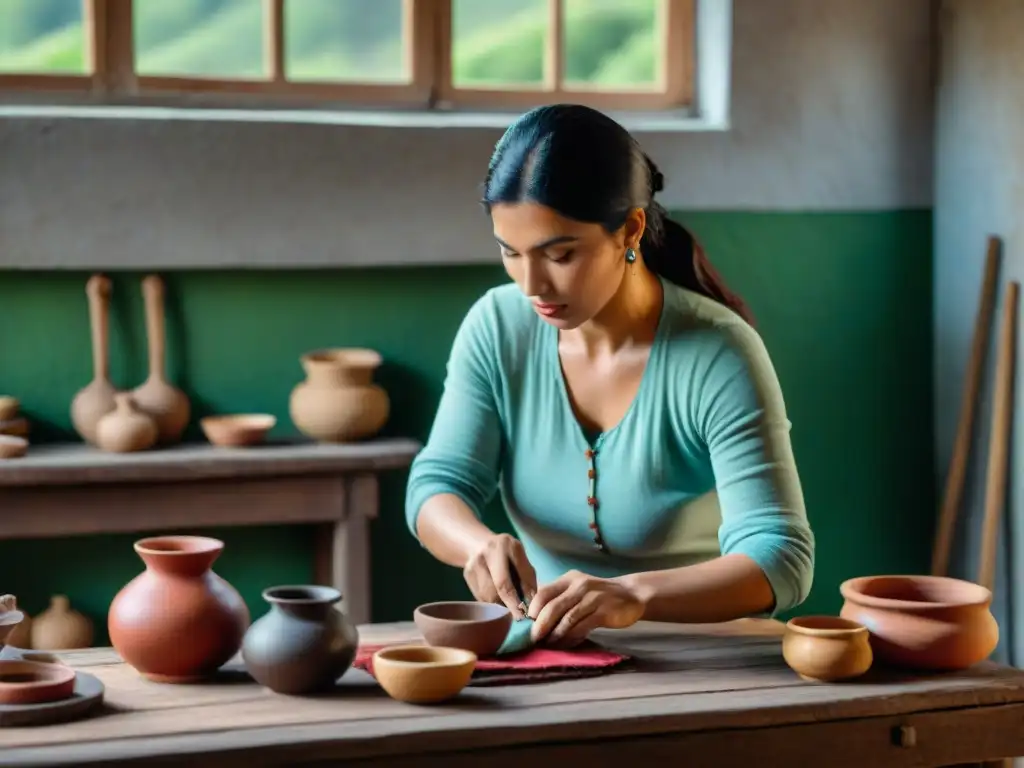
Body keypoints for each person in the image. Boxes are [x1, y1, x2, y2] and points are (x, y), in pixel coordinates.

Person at [405, 104, 814, 649]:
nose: (532, 285)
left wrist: (636, 596)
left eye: (561, 254)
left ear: (631, 230)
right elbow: (437, 484)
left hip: (710, 655)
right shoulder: (496, 327)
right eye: (510, 252)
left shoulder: (719, 352)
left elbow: (781, 555)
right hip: (551, 653)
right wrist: (477, 543)